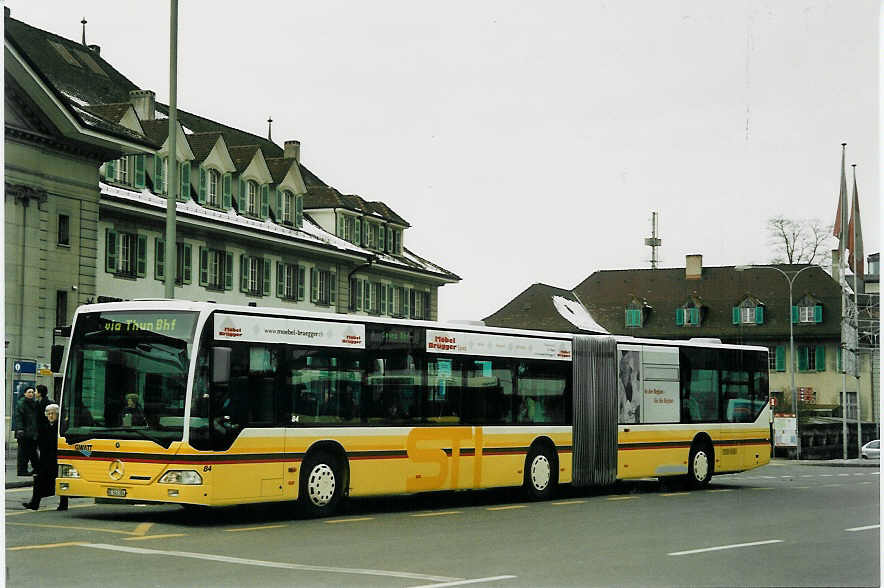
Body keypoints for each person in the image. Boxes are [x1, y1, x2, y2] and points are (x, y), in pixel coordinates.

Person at [23, 403, 68, 511]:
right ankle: (34, 503)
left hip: (57, 458)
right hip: (45, 458)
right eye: (48, 414)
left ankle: (63, 503)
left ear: (57, 415)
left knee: (60, 480)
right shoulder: (44, 427)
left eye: (53, 414)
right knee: (39, 480)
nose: (50, 416)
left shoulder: (61, 427)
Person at [14, 387, 41, 476]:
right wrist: (20, 429)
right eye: (29, 392)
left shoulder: (34, 404)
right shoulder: (21, 403)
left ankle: (37, 468)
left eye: (33, 392)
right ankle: (22, 471)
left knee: (33, 452)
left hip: (32, 433)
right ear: (25, 393)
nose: (31, 394)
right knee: (23, 453)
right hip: (24, 433)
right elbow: (18, 418)